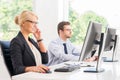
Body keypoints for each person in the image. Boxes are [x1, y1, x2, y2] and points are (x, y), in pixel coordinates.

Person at [10, 10, 49, 75]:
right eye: (33, 22)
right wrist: (33, 68)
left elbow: (45, 60)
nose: (36, 26)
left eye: (36, 23)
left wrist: (39, 39)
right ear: (23, 23)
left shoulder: (32, 41)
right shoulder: (16, 42)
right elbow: (17, 69)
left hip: (38, 76)